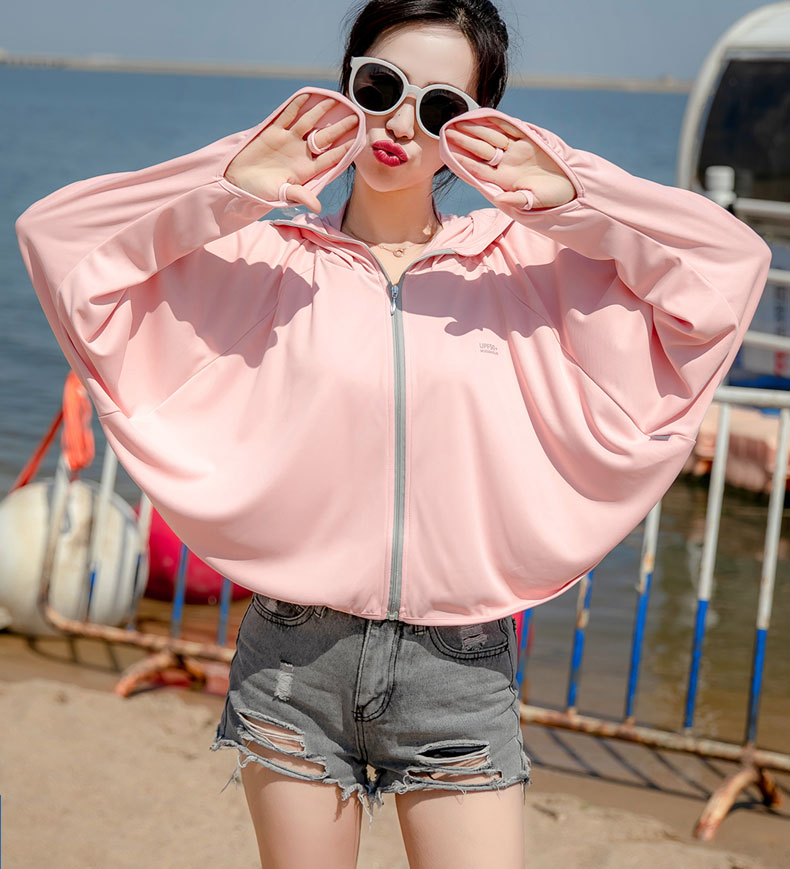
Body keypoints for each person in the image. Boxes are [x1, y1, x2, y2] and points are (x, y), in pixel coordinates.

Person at [15, 1, 771, 866]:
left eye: (441, 107)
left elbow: (727, 270)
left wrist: (573, 195)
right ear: (346, 88)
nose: (402, 123)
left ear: (476, 128)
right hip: (293, 661)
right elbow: (60, 241)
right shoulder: (270, 262)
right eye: (380, 87)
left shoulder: (522, 271)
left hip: (461, 670)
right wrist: (226, 182)